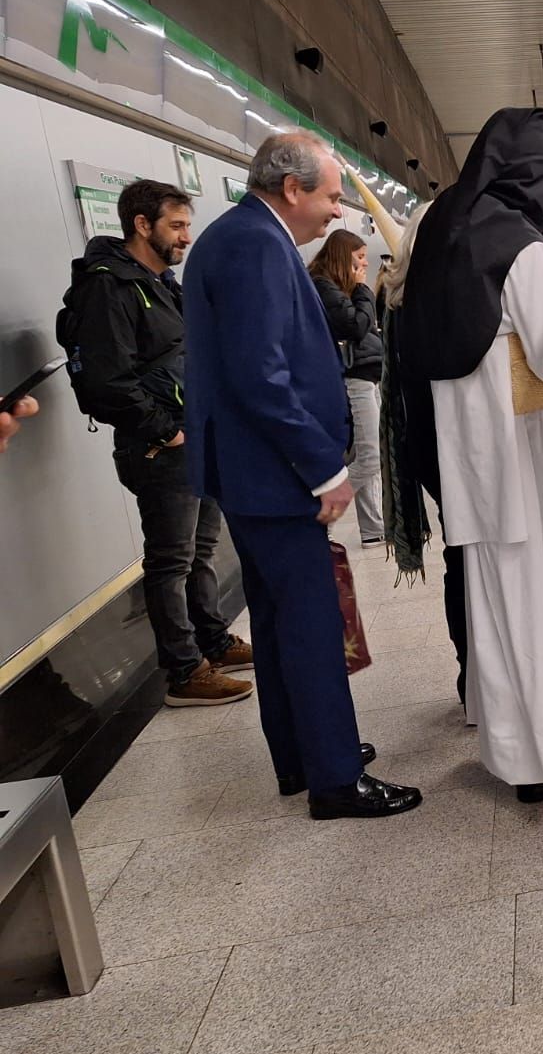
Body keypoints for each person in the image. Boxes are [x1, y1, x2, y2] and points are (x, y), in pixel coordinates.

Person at [183, 131, 419, 820]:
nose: (338, 213)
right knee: (312, 623)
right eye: (331, 196)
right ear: (292, 188)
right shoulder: (257, 244)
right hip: (275, 473)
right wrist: (323, 471)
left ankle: (303, 755)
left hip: (251, 472)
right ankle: (337, 780)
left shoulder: (237, 237)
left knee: (284, 621)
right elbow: (262, 375)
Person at [399, 106, 543, 802]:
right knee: (541, 600)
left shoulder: (440, 232)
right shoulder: (517, 245)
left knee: (493, 598)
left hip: (464, 451)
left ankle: (511, 748)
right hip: (523, 452)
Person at [56, 179, 254, 707]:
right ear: (142, 225)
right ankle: (185, 672)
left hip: (196, 437)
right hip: (160, 447)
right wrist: (167, 430)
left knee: (201, 550)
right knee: (171, 560)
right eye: (177, 225)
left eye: (188, 225)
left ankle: (211, 638)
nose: (187, 236)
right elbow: (107, 380)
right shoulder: (109, 287)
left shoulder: (161, 281)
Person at [309, 228, 384, 547]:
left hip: (363, 373)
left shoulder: (335, 287)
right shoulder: (326, 286)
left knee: (365, 452)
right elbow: (355, 325)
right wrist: (363, 289)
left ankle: (372, 528)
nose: (364, 264)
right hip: (354, 377)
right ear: (343, 257)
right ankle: (322, 510)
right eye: (360, 258)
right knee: (370, 456)